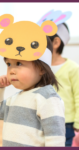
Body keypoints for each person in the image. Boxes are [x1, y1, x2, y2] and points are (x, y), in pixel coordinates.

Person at [0, 14, 65, 147]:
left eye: (18, 64)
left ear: (42, 69)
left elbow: (55, 138)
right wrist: (1, 89)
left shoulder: (47, 98)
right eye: (9, 64)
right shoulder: (14, 98)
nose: (11, 70)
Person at [49, 23, 79, 147]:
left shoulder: (73, 68)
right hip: (44, 119)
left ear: (55, 42)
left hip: (66, 122)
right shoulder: (39, 67)